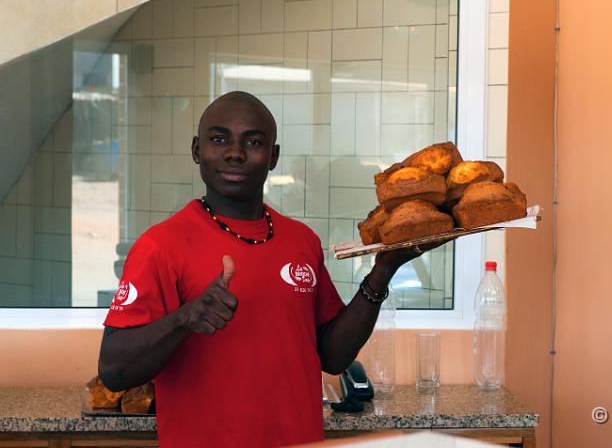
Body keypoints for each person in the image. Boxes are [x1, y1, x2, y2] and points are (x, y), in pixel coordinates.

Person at [98, 91, 437, 448]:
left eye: (254, 142)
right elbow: (114, 371)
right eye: (219, 139)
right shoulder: (160, 246)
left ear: (273, 157)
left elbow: (334, 357)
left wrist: (381, 272)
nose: (234, 152)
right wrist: (186, 317)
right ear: (197, 150)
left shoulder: (301, 241)